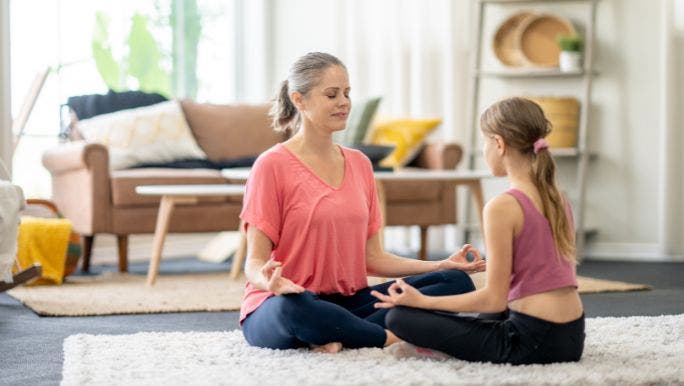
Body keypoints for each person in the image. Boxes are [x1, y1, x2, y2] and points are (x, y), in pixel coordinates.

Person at [239, 52, 486, 353]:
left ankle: (340, 333)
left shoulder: (359, 164)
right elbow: (254, 262)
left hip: (351, 302)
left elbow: (374, 258)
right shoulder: (271, 165)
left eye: (347, 93)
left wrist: (439, 263)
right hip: (284, 301)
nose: (344, 102)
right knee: (296, 308)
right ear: (299, 100)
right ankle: (391, 336)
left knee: (452, 282)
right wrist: (269, 283)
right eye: (332, 94)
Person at [374, 97, 585, 364]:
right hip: (571, 337)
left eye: (485, 142)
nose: (484, 150)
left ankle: (438, 346)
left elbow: (494, 300)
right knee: (482, 318)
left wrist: (422, 302)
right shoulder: (557, 198)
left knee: (399, 317)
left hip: (530, 343)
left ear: (499, 144)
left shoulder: (502, 206)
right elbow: (543, 273)